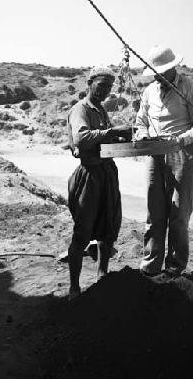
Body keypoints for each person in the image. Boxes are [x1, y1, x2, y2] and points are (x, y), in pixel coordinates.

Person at [135, 45, 193, 277]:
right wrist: (143, 135)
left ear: (172, 68)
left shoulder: (190, 87)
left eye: (162, 72)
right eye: (156, 73)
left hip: (184, 154)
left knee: (178, 213)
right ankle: (151, 265)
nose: (159, 77)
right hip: (156, 153)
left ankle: (174, 267)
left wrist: (180, 140)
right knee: (154, 211)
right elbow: (141, 122)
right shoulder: (149, 92)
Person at [66, 66, 132, 299]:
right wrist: (113, 131)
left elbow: (104, 138)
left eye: (109, 87)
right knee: (82, 233)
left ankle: (102, 275)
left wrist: (122, 136)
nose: (105, 90)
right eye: (101, 85)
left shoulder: (101, 110)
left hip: (107, 175)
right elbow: (82, 139)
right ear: (90, 83)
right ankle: (74, 288)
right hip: (90, 177)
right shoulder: (80, 109)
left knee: (108, 228)